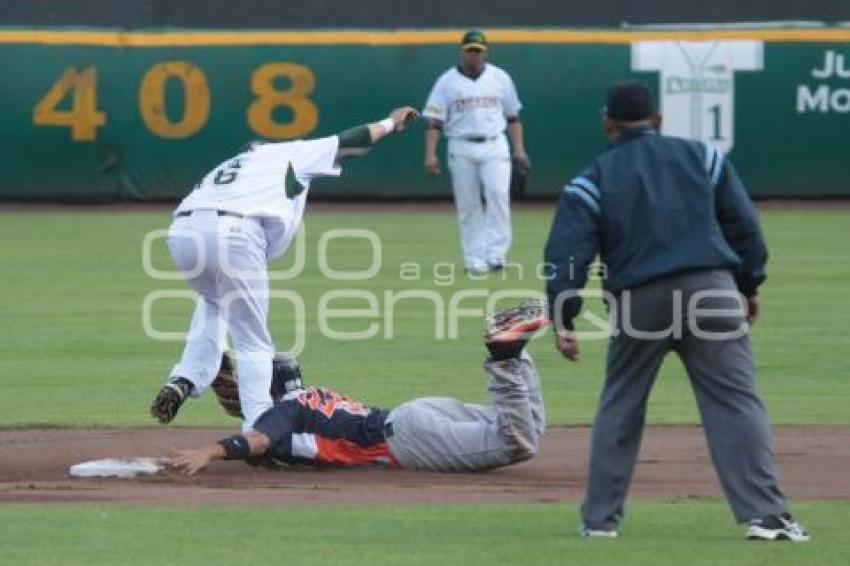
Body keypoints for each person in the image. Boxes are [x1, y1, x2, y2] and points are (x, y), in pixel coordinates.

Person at [543, 81, 810, 542]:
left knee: (621, 404)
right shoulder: (703, 157)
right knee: (735, 402)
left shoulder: (593, 178)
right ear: (658, 119)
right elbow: (745, 228)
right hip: (713, 290)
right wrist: (748, 285)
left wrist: (563, 316)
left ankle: (600, 522)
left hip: (639, 300)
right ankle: (768, 517)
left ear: (608, 124)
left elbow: (568, 253)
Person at [150, 106, 419, 431]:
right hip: (234, 231)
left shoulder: (230, 167)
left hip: (182, 234)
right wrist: (392, 122)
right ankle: (258, 428)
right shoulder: (286, 152)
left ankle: (185, 377)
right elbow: (352, 140)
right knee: (253, 342)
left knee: (214, 302)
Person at [168, 301, 547, 475]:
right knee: (524, 425)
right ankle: (513, 354)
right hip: (413, 416)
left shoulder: (283, 414)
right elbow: (261, 421)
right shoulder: (304, 400)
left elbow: (262, 440)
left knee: (515, 442)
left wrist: (210, 451)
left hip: (409, 440)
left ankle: (505, 353)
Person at [422, 30, 529, 274]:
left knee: (498, 196)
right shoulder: (447, 81)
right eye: (470, 50)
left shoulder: (500, 78)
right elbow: (434, 123)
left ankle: (496, 255)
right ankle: (474, 258)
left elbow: (513, 117)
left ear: (485, 52)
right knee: (468, 203)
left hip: (494, 143)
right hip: (461, 145)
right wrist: (430, 154)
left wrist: (519, 150)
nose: (474, 55)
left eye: (478, 51)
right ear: (462, 51)